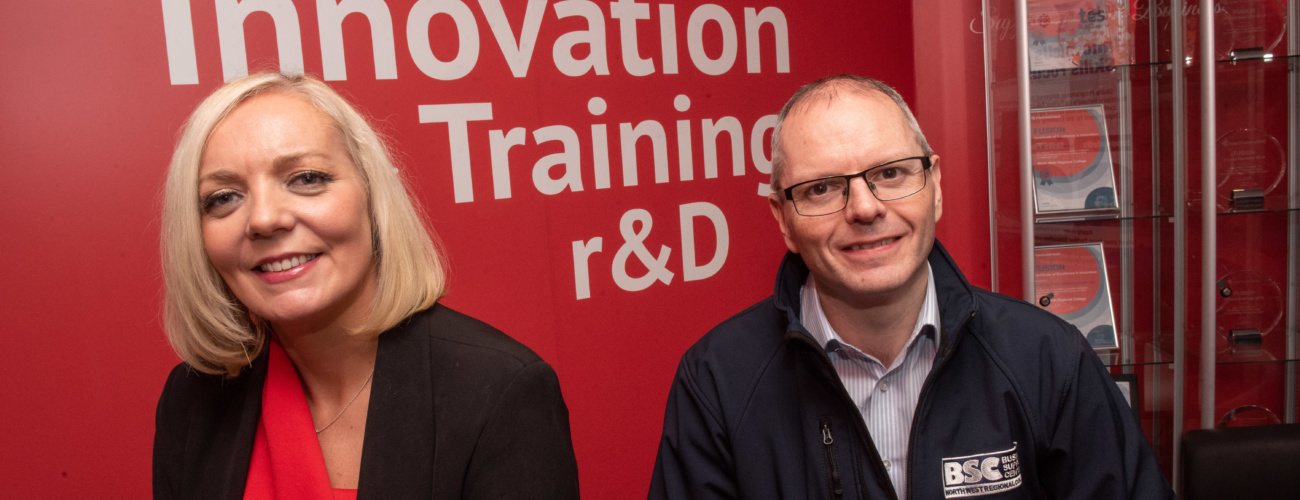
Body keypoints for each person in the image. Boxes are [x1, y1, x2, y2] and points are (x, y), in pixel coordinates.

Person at [649, 75, 1173, 499]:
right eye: (822, 187)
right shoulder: (718, 381)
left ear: (936, 188)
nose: (865, 207)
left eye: (892, 173)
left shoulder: (1047, 359)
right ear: (783, 219)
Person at [153, 73, 579, 499]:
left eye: (306, 178)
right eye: (223, 197)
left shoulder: (500, 392)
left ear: (372, 195)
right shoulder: (192, 400)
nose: (264, 219)